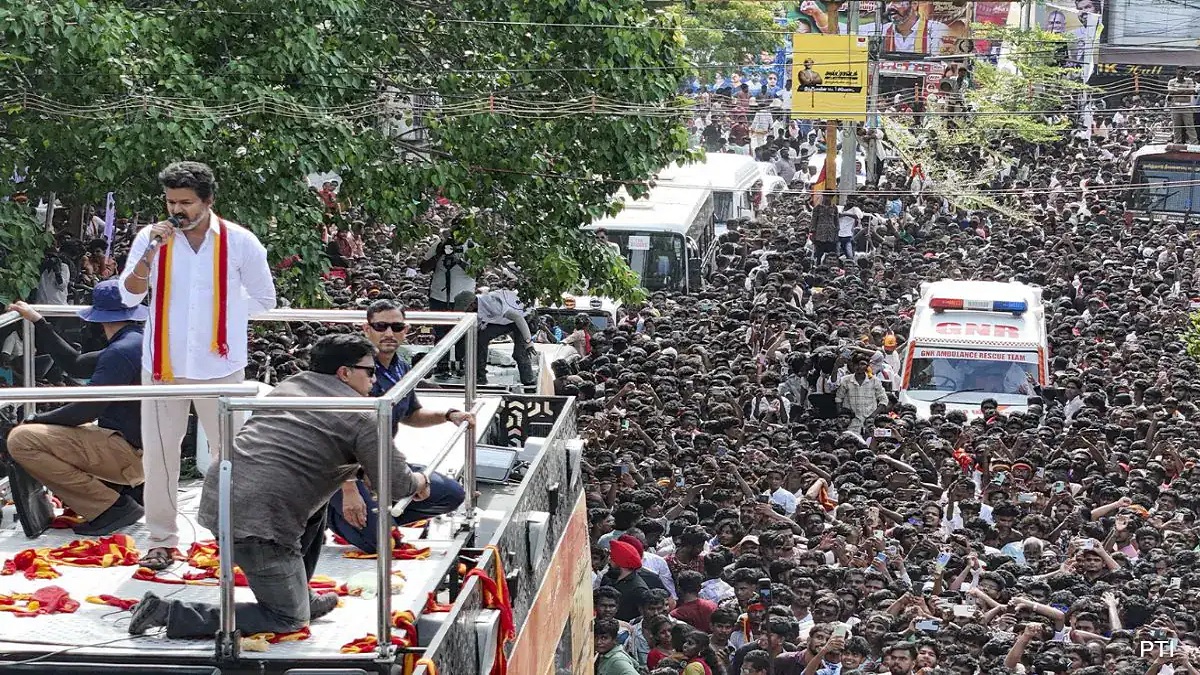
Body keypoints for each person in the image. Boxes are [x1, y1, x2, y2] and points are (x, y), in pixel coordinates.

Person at [126, 334, 431, 639]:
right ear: (344, 373)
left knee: (318, 499)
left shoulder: (291, 386)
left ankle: (300, 591)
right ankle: (167, 612)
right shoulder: (362, 416)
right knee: (288, 619)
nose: (375, 379)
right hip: (260, 523)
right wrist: (420, 480)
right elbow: (395, 484)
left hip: (221, 498)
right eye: (370, 371)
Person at [118, 160, 277, 571]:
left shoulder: (241, 242)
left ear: (207, 201)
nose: (177, 211)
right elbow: (129, 296)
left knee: (232, 457)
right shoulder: (151, 239)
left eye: (186, 202)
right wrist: (148, 255)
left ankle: (235, 539)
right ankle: (161, 541)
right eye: (171, 201)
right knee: (159, 456)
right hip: (163, 365)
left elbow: (265, 299)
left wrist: (219, 314)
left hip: (220, 364)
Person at [325, 299, 471, 553]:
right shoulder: (352, 371)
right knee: (377, 543)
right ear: (366, 329)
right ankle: (328, 511)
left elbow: (411, 413)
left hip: (381, 464)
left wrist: (449, 415)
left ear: (406, 330)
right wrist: (349, 488)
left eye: (396, 326)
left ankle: (378, 516)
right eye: (381, 326)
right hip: (343, 470)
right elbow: (335, 433)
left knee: (451, 494)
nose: (389, 333)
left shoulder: (400, 367)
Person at [4, 281, 146, 536]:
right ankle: (116, 494)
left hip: (130, 453)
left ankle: (111, 507)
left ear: (99, 317)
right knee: (49, 430)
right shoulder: (136, 341)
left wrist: (36, 418)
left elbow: (86, 410)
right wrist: (38, 321)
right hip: (140, 448)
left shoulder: (121, 352)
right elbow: (77, 364)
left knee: (22, 439)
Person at [421, 230, 476, 376]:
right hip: (439, 295)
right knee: (440, 332)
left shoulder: (472, 247)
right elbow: (423, 268)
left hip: (463, 297)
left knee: (463, 334)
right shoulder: (439, 245)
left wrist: (458, 260)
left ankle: (461, 363)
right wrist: (440, 253)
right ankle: (442, 364)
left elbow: (478, 273)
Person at [474, 281, 536, 386]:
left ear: (472, 303)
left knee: (520, 353)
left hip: (523, 318)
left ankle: (528, 380)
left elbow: (518, 318)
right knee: (481, 339)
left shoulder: (493, 303)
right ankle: (480, 377)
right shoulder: (475, 308)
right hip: (503, 321)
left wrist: (528, 342)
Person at [859, 0, 950, 54]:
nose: (891, 6)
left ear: (914, 4)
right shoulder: (881, 30)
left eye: (897, 1)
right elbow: (849, 30)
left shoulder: (937, 30)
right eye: (888, 2)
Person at [1167, 69, 1198, 144]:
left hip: (1187, 106)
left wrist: (1177, 91)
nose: (1181, 73)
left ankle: (1194, 142)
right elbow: (1171, 91)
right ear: (1176, 72)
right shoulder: (1171, 81)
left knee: (1190, 126)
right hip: (1175, 106)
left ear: (1185, 73)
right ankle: (1177, 142)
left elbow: (1191, 91)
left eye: (1183, 72)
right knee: (1176, 126)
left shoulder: (1189, 80)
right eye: (1180, 72)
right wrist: (1185, 91)